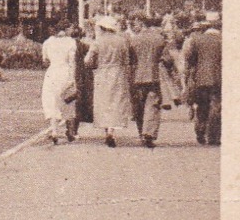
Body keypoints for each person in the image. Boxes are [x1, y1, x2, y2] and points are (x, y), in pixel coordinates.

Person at [85, 14, 134, 148]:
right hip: (118, 73)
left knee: (103, 102)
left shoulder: (98, 42)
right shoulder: (121, 41)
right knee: (116, 102)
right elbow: (127, 61)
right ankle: (112, 131)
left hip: (102, 73)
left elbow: (88, 60)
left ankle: (107, 130)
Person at [127, 16, 169, 148]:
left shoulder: (133, 40)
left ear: (141, 23)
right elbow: (167, 59)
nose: (134, 27)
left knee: (139, 106)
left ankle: (141, 132)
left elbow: (130, 60)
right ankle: (149, 133)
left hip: (136, 77)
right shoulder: (159, 39)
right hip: (154, 76)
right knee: (153, 104)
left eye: (135, 24)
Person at [184, 19, 222, 146]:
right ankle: (213, 136)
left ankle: (200, 130)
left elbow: (190, 59)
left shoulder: (197, 40)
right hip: (218, 78)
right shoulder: (222, 40)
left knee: (202, 105)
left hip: (200, 78)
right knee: (216, 106)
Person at [41, 23, 78, 145]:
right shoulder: (70, 42)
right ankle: (70, 131)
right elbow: (72, 61)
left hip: (52, 72)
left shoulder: (47, 42)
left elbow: (45, 60)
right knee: (67, 101)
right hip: (65, 72)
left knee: (52, 101)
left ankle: (54, 130)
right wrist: (72, 78)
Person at [70, 20, 95, 140]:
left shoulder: (69, 46)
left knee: (68, 102)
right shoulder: (84, 46)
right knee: (78, 104)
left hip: (70, 74)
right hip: (82, 76)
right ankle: (74, 130)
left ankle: (69, 129)